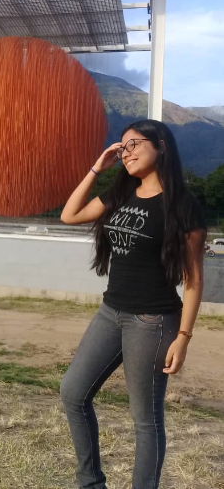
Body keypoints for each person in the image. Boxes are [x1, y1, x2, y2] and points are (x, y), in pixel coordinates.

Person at [60, 119, 206, 489]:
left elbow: (193, 280)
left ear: (161, 146)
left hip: (152, 321)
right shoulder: (121, 193)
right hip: (111, 312)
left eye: (135, 144)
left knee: (145, 420)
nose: (127, 153)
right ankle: (91, 483)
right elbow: (69, 215)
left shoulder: (183, 207)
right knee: (73, 392)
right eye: (122, 146)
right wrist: (98, 167)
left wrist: (184, 337)